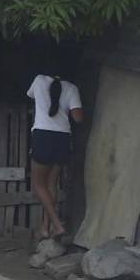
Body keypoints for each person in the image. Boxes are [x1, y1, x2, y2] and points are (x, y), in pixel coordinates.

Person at [27, 69, 84, 240]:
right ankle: (45, 228)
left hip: (43, 136)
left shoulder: (39, 80)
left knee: (38, 184)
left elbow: (30, 95)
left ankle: (57, 225)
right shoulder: (72, 88)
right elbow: (78, 118)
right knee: (52, 183)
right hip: (62, 138)